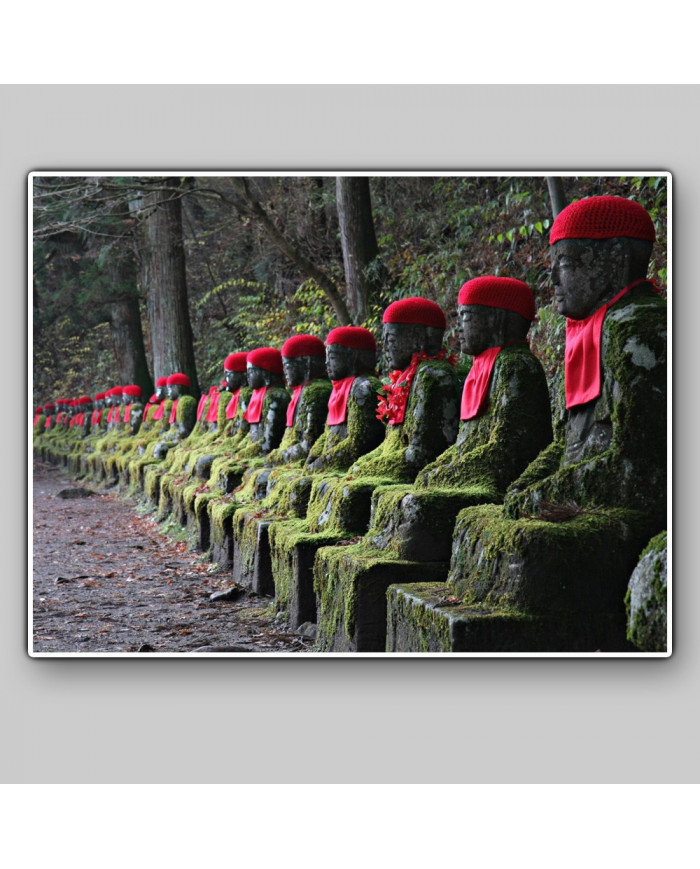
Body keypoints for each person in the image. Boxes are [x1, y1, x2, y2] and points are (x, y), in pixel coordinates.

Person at [388, 195, 667, 653]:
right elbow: (563, 443)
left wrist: (539, 494)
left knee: (524, 547)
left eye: (566, 264)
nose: (552, 279)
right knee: (474, 523)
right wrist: (528, 485)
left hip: (618, 509)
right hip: (577, 499)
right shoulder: (588, 335)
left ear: (615, 260)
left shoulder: (639, 329)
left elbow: (639, 465)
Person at [310, 277, 554, 651]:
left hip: (493, 483)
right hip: (463, 476)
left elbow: (506, 450)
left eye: (466, 317)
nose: (460, 327)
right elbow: (455, 446)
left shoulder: (508, 367)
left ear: (496, 320)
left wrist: (438, 472)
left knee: (411, 504)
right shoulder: (463, 371)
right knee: (387, 497)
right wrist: (435, 470)